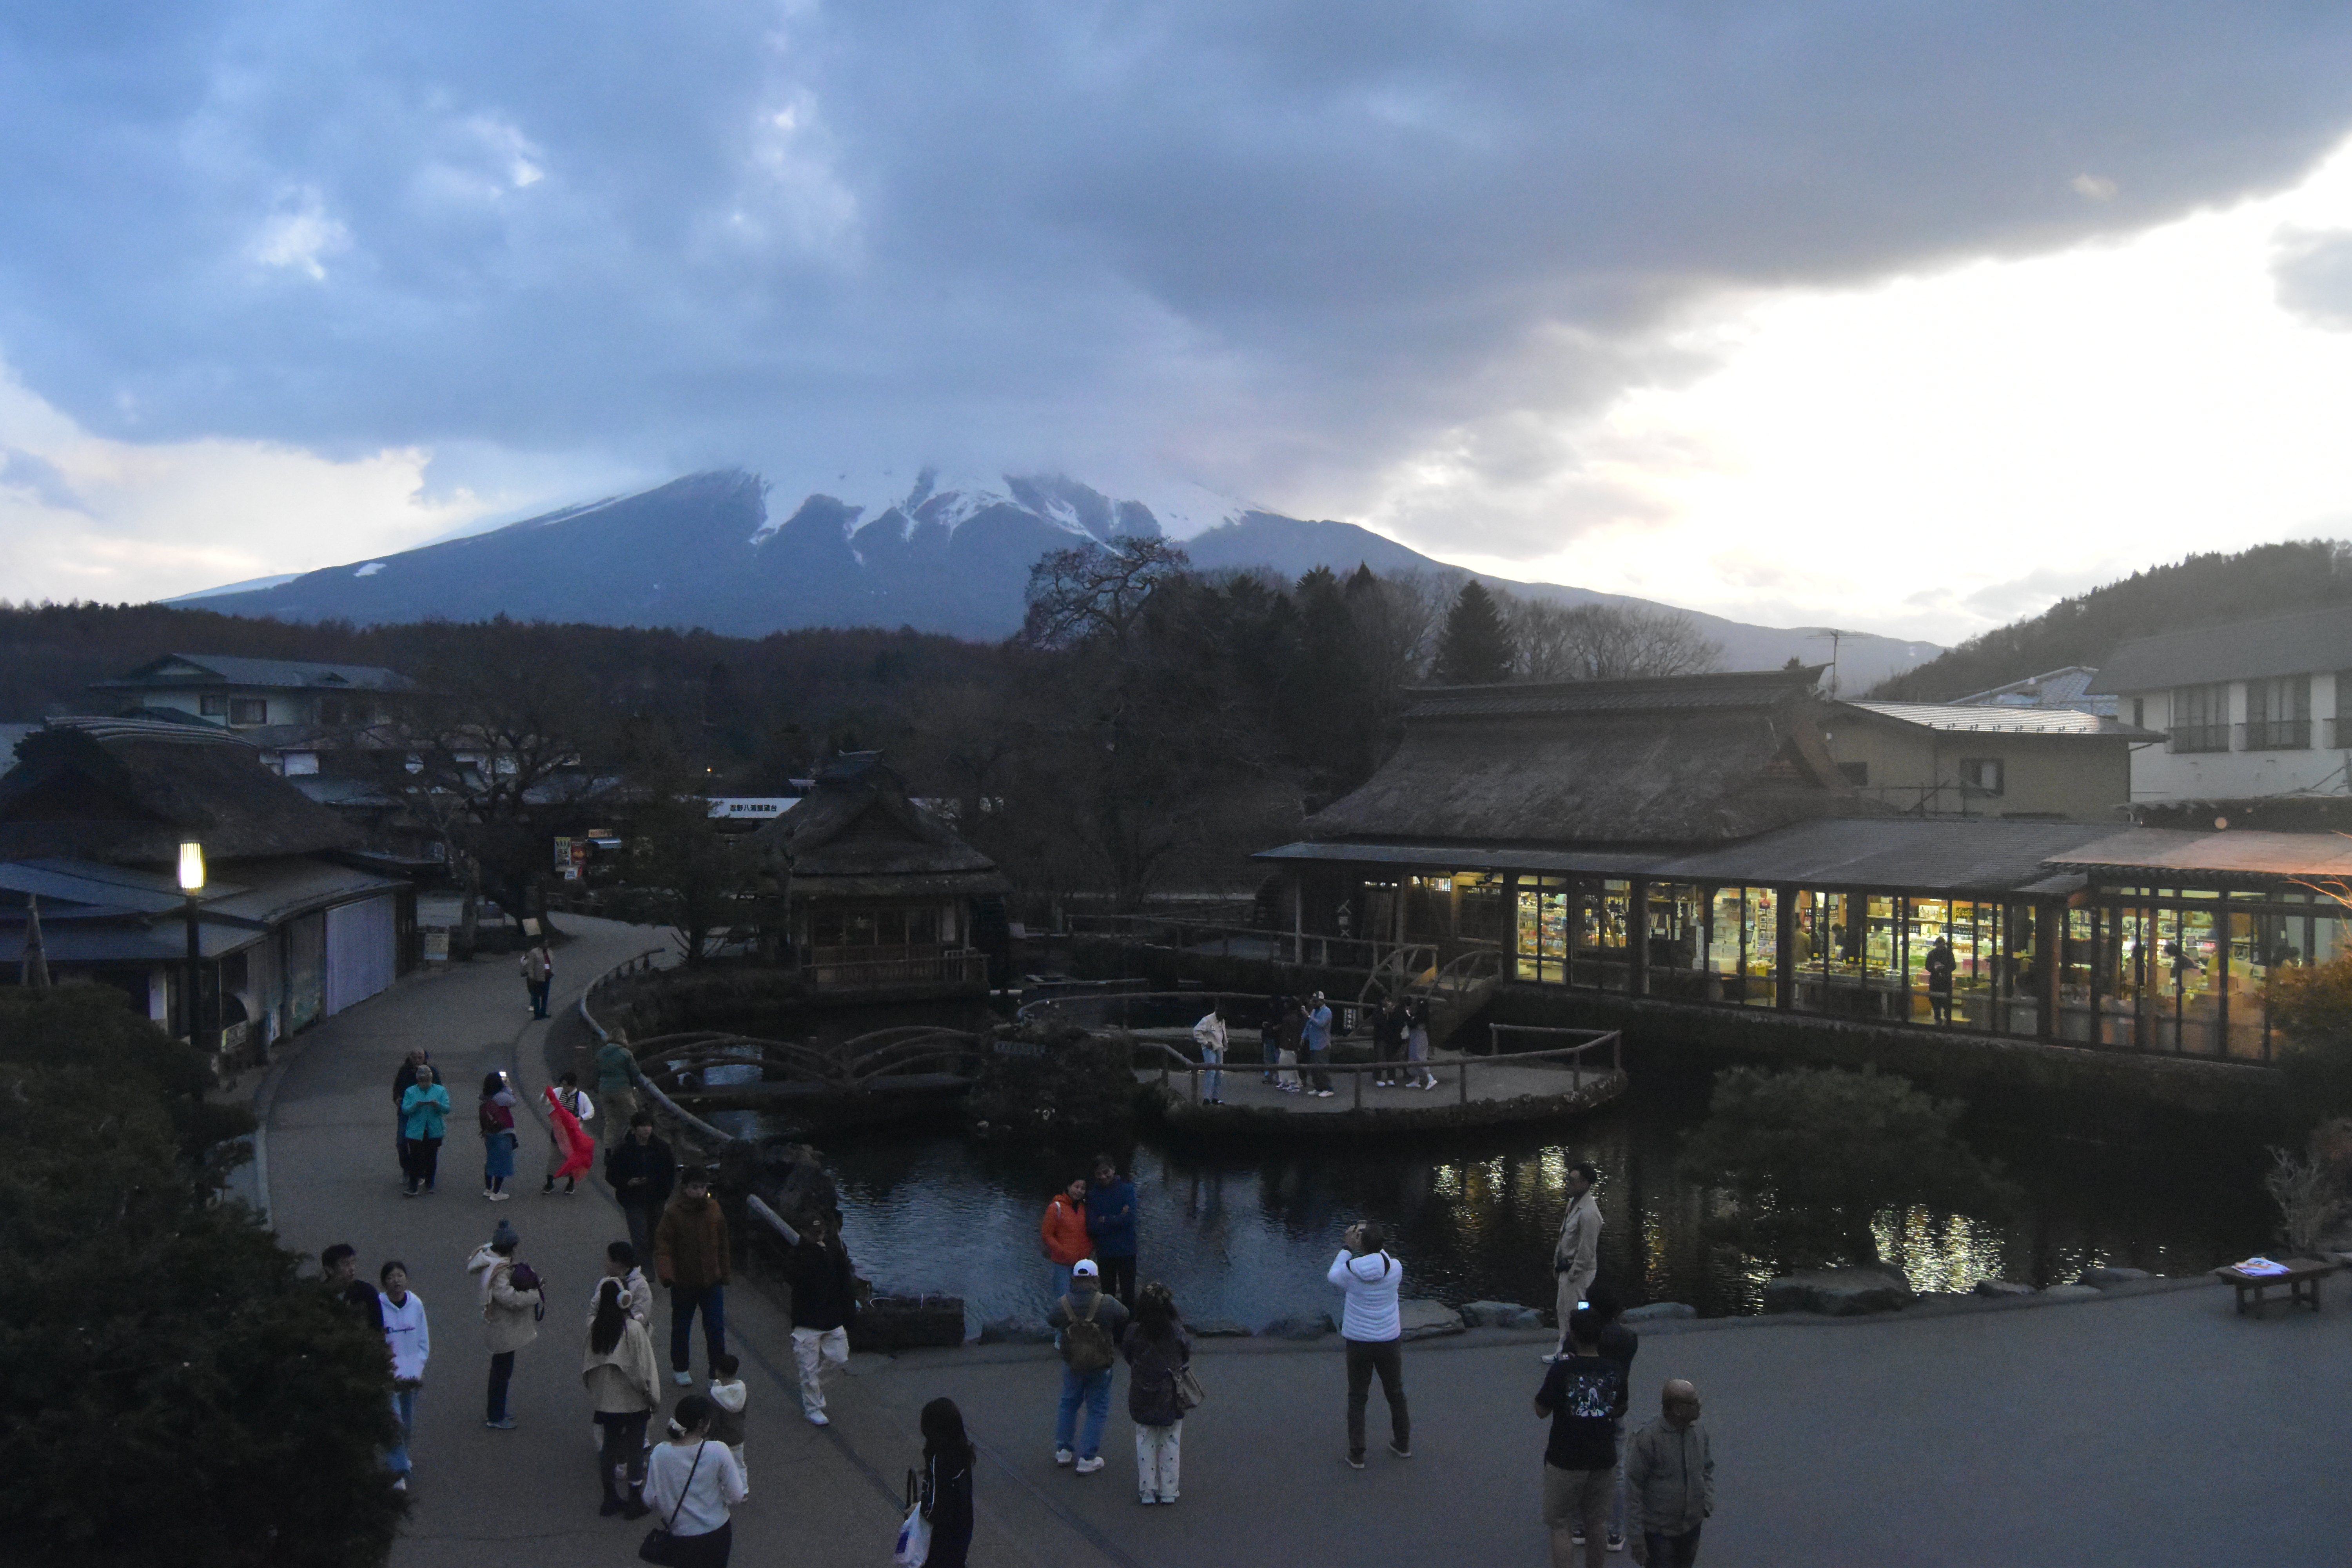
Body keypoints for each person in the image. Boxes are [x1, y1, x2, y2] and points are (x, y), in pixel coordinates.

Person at [1534, 1307, 1627, 1568]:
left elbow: (1541, 1410)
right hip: (1603, 1456)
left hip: (1565, 1457)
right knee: (1597, 1523)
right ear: (1601, 1337)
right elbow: (1620, 1407)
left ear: (1573, 1337)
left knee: (1561, 1524)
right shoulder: (1615, 1370)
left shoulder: (1561, 1371)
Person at [1328, 1220, 1408, 1469]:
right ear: (1383, 1244)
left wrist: (1347, 1247)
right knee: (1395, 1393)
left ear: (1361, 1243)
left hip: (1359, 1342)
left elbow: (1332, 1276)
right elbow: (1379, 1259)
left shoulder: (1350, 1270)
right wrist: (1368, 1243)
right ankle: (1403, 1443)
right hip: (1389, 1341)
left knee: (1357, 1397)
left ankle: (1357, 1454)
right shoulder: (1395, 1267)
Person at [582, 1274, 661, 1517]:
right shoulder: (634, 1330)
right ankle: (634, 1500)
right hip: (633, 1401)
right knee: (635, 1449)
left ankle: (610, 1498)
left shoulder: (595, 1329)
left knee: (610, 1447)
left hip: (607, 1402)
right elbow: (643, 1367)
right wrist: (651, 1396)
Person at [642, 1394, 747, 1567]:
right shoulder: (718, 1451)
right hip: (717, 1534)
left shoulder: (660, 1453)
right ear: (702, 1424)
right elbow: (736, 1496)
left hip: (681, 1536)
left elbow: (649, 1499)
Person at [1047, 1258, 1130, 1475]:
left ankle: (1064, 1450)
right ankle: (1087, 1458)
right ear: (1095, 1278)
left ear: (1074, 1278)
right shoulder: (1107, 1302)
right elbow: (1126, 1315)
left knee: (1069, 1403)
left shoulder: (1063, 1303)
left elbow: (1051, 1319)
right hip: (1100, 1363)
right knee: (1097, 1409)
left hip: (1073, 1362)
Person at [656, 1165, 731, 1387]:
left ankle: (716, 1372)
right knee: (681, 1327)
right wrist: (668, 1275)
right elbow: (663, 1246)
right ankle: (680, 1367)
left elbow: (724, 1244)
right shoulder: (673, 1214)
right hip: (684, 1282)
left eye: (703, 1188)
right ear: (685, 1188)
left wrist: (724, 1273)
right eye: (695, 1188)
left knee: (716, 1328)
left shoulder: (715, 1210)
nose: (699, 1192)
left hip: (712, 1281)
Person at [1625, 1380, 1712, 1567]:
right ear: (1677, 1409)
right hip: (1659, 1533)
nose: (1700, 1406)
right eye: (1694, 1403)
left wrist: (1706, 1503)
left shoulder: (1698, 1431)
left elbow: (1707, 1468)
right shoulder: (1648, 1438)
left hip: (1691, 1527)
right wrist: (1637, 1538)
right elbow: (1633, 1488)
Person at [782, 1211, 857, 1426]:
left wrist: (848, 1314)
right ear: (804, 1233)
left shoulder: (834, 1251)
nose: (819, 1237)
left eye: (822, 1232)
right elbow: (793, 1278)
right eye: (814, 1233)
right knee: (807, 1368)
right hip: (806, 1321)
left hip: (833, 1318)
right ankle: (813, 1407)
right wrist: (814, 1254)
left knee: (840, 1358)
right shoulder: (798, 1255)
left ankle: (815, 1386)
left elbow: (845, 1283)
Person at [466, 1219, 542, 1428]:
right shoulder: (498, 1271)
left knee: (501, 1371)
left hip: (499, 1325)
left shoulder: (490, 1261)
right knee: (501, 1373)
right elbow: (510, 1299)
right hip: (502, 1328)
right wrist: (534, 1295)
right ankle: (496, 1416)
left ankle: (497, 1411)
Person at [1124, 1281, 1192, 1505]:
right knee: (1170, 1441)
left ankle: (1147, 1490)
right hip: (1170, 1394)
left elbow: (1127, 1355)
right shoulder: (1175, 1329)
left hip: (1142, 1392)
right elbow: (1186, 1353)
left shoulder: (1135, 1331)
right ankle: (1169, 1490)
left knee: (1145, 1440)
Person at [1589, 1286, 1641, 1554]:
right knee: (1617, 1470)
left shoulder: (1587, 1337)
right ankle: (1615, 1532)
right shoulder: (1629, 1338)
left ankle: (1578, 1526)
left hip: (1588, 1409)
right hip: (1617, 1407)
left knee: (1582, 1466)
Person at [377, 1261, 428, 1490]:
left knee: (407, 1423)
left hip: (411, 1377)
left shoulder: (416, 1304)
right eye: (391, 1277)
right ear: (384, 1283)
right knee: (394, 1422)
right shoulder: (378, 1306)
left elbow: (423, 1341)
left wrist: (417, 1368)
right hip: (388, 1378)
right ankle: (397, 1472)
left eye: (400, 1276)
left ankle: (401, 1457)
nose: (396, 1281)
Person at [1548, 1161, 1603, 1361]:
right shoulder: (1573, 1204)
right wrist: (1557, 1264)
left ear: (1586, 1183)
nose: (1567, 1184)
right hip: (1565, 1268)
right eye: (1567, 1179)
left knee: (1576, 1312)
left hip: (1578, 1274)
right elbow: (1564, 1237)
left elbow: (1587, 1249)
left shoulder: (1589, 1213)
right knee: (1562, 1309)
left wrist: (1574, 1273)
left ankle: (1572, 1353)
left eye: (1572, 1181)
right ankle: (1563, 1350)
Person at [606, 1111, 676, 1266]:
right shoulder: (624, 1150)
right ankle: (644, 1268)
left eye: (649, 1126)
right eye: (643, 1126)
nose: (647, 1130)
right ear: (634, 1129)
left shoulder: (661, 1148)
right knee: (640, 1235)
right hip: (633, 1199)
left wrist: (666, 1191)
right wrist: (627, 1183)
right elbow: (611, 1174)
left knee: (654, 1234)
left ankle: (649, 1261)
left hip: (656, 1198)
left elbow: (671, 1171)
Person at [918, 1397, 976, 1568]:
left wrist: (920, 1510)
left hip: (942, 1536)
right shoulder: (962, 1455)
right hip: (963, 1528)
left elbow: (938, 1506)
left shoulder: (940, 1461)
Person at [1084, 1154, 1139, 1309]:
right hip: (1106, 1252)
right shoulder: (1093, 1195)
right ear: (1094, 1175)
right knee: (1108, 1295)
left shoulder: (1127, 1190)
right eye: (1099, 1174)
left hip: (1127, 1251)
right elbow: (1092, 1226)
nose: (1103, 1176)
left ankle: (1129, 1330)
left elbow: (1129, 1219)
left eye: (1106, 1172)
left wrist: (1106, 1220)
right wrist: (1118, 1218)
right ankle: (1110, 1330)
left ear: (1114, 1170)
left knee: (1128, 1294)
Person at [399, 1063, 450, 1197]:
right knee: (415, 1158)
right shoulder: (410, 1092)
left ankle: (430, 1182)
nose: (425, 1084)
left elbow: (447, 1109)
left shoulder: (440, 1091)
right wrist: (416, 1105)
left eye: (427, 1080)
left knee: (431, 1157)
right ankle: (413, 1186)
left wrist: (437, 1105)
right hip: (416, 1131)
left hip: (433, 1130)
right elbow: (405, 1110)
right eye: (422, 1081)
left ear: (431, 1079)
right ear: (418, 1080)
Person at [541, 1073, 595, 1194]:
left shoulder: (582, 1097)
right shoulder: (558, 1092)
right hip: (559, 1133)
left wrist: (580, 1119)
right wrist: (546, 1095)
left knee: (573, 1159)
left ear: (573, 1085)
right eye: (563, 1085)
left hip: (573, 1135)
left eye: (566, 1085)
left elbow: (591, 1111)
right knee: (554, 1158)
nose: (564, 1088)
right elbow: (545, 1102)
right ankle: (550, 1182)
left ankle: (571, 1183)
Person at [1041, 1176, 1092, 1298]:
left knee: (1081, 1301)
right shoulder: (1056, 1208)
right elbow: (1047, 1235)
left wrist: (1089, 1249)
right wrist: (1062, 1251)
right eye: (1076, 1187)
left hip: (1081, 1264)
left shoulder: (1084, 1209)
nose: (1079, 1191)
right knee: (1063, 1301)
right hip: (1062, 1264)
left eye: (1083, 1189)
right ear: (1069, 1187)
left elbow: (1089, 1232)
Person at [707, 1352, 750, 1494]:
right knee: (739, 1465)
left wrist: (708, 1435)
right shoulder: (742, 1391)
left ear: (718, 1372)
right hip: (738, 1435)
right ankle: (743, 1490)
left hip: (720, 1438)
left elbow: (714, 1420)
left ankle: (725, 1490)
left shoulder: (715, 1395)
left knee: (721, 1466)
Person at [478, 1070, 518, 1200]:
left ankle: (488, 1189)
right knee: (502, 1162)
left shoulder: (486, 1097)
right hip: (503, 1132)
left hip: (489, 1133)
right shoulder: (503, 1096)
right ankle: (497, 1192)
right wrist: (507, 1087)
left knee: (491, 1160)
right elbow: (514, 1102)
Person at [322, 1243, 383, 1327]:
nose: (352, 1269)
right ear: (330, 1270)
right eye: (346, 1264)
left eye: (353, 1263)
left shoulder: (366, 1292)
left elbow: (377, 1329)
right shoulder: (319, 1296)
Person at [593, 1033, 639, 1143]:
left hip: (604, 1089)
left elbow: (598, 1072)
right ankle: (635, 1146)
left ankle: (608, 1151)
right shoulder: (626, 1054)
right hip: (622, 1089)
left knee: (610, 1122)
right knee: (636, 1119)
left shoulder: (601, 1053)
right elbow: (636, 1072)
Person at [392, 1047, 430, 1174]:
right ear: (410, 1058)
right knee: (401, 1143)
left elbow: (438, 1089)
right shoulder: (404, 1071)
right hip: (405, 1112)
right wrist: (397, 1098)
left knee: (422, 1144)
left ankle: (421, 1169)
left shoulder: (430, 1072)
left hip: (423, 1113)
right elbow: (397, 1087)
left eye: (421, 1057)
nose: (418, 1060)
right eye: (415, 1058)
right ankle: (407, 1168)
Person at [599, 1239, 655, 1324]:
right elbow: (594, 1310)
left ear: (619, 1263)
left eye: (609, 1260)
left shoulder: (641, 1286)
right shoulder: (605, 1282)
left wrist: (616, 1326)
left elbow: (640, 1316)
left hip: (631, 1335)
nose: (606, 1264)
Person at [1192, 1002, 1228, 1105]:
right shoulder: (1207, 1020)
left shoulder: (1222, 1021)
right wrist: (1205, 1042)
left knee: (1219, 1073)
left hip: (1219, 1047)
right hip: (1210, 1048)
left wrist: (1225, 1043)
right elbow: (1196, 1031)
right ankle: (1207, 1098)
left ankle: (1215, 1098)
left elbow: (1223, 1032)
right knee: (1211, 1072)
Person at [1302, 991, 1335, 1096]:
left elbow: (1321, 1024)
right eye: (1313, 1001)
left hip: (1323, 1044)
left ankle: (1328, 1088)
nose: (1314, 1003)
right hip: (1313, 1043)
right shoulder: (1314, 1011)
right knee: (1314, 1068)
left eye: (1316, 1001)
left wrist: (1308, 1017)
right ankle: (1318, 1087)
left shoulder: (1327, 1012)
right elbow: (1309, 1025)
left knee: (1322, 1068)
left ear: (1322, 1001)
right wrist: (1303, 1036)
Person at [1372, 996, 1406, 1087]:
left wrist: (1394, 1013)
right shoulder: (1378, 1010)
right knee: (1379, 1057)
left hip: (1392, 1038)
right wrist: (1385, 1012)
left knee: (1392, 1058)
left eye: (1389, 1000)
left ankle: (1391, 1078)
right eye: (1386, 1000)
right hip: (1380, 1038)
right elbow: (1376, 1022)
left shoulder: (1395, 1011)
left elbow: (1400, 1023)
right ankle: (1378, 1078)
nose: (1388, 1002)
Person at [1405, 998, 1437, 1091]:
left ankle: (1430, 1078)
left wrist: (1407, 1016)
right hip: (1417, 1036)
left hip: (1419, 1037)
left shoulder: (1421, 1017)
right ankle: (1416, 1080)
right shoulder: (1422, 1016)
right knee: (1414, 1056)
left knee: (1419, 1057)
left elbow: (1412, 1024)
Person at [1275, 996, 1305, 1093]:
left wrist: (1294, 1045)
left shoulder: (1294, 1018)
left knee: (1291, 1063)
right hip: (1285, 1043)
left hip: (1290, 1044)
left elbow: (1295, 1033)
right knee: (1283, 1061)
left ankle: (1294, 1083)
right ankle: (1284, 1081)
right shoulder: (1291, 1016)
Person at [1924, 936, 1956, 1024]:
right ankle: (1944, 1017)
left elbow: (1927, 966)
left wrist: (1937, 970)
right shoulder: (1949, 954)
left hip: (1936, 980)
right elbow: (1953, 966)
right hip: (1944, 981)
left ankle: (1940, 1017)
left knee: (1937, 1000)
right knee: (1942, 1000)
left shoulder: (1932, 954)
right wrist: (1943, 970)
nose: (1940, 946)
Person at [520, 940, 554, 1019]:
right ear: (540, 944)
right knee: (536, 996)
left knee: (545, 996)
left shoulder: (550, 952)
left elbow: (551, 963)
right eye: (545, 943)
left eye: (547, 943)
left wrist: (552, 972)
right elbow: (530, 966)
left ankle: (543, 1012)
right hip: (537, 978)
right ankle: (537, 1014)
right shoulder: (534, 953)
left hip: (547, 976)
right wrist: (531, 977)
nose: (547, 944)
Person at [1259, 996, 1283, 1085]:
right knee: (1268, 1059)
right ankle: (1269, 1077)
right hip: (1268, 1037)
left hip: (1276, 1038)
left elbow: (1281, 1024)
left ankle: (1279, 1078)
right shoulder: (1268, 1012)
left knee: (1277, 1058)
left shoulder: (1280, 1013)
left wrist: (1274, 1028)